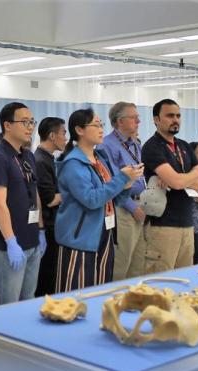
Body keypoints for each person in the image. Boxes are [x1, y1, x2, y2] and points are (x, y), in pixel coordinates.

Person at [54, 109, 142, 292]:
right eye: (96, 125)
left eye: (101, 125)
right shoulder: (73, 163)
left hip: (104, 233)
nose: (101, 129)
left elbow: (114, 199)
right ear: (79, 130)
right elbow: (92, 199)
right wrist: (122, 179)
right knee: (75, 294)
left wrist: (127, 184)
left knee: (100, 291)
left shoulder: (99, 159)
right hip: (80, 238)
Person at [0, 102, 45, 305]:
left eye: (32, 122)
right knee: (9, 304)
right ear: (7, 125)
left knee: (28, 300)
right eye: (24, 122)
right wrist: (11, 241)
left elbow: (34, 193)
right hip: (10, 244)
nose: (30, 127)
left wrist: (41, 229)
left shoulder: (27, 155)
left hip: (31, 239)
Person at [141, 99, 198, 274]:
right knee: (160, 283)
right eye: (170, 115)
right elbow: (179, 182)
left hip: (187, 224)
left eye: (178, 115)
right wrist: (191, 175)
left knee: (184, 280)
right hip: (163, 226)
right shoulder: (152, 147)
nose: (175, 119)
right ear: (156, 119)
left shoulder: (184, 146)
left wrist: (180, 178)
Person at [98, 102, 147, 280]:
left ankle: (133, 300)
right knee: (122, 263)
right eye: (134, 118)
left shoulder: (134, 143)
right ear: (120, 121)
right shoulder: (106, 146)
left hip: (141, 205)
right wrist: (133, 208)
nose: (138, 121)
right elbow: (110, 182)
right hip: (123, 209)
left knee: (138, 263)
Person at [33, 117, 66, 297]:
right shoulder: (41, 161)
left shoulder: (47, 159)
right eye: (63, 133)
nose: (66, 138)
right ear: (52, 136)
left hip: (54, 225)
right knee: (47, 279)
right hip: (47, 228)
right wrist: (75, 193)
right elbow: (50, 199)